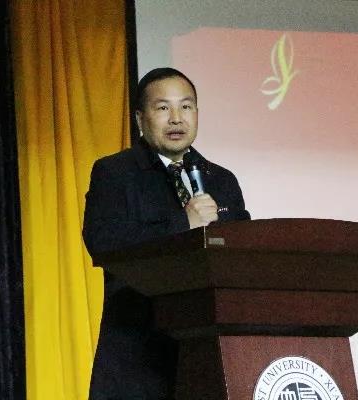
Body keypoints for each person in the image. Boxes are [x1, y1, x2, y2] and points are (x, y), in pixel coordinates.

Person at [82, 67, 250, 400]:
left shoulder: (221, 180)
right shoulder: (115, 173)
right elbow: (103, 242)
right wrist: (182, 224)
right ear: (140, 118)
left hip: (209, 351)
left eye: (186, 107)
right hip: (138, 356)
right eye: (163, 108)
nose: (176, 118)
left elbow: (243, 254)